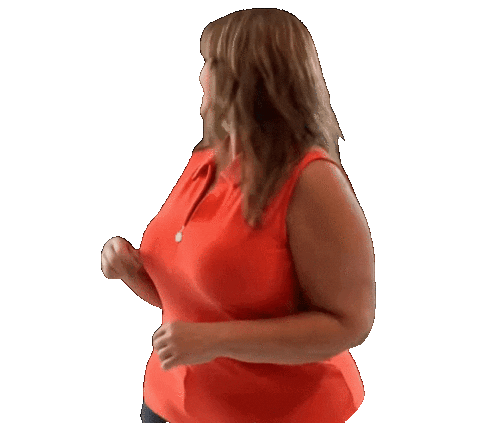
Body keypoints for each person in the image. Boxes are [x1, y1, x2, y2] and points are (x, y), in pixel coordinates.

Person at [101, 8, 374, 423]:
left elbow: (348, 324)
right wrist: (132, 271)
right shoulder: (206, 158)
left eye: (211, 63)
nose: (200, 77)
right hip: (167, 405)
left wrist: (215, 340)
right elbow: (197, 301)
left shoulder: (312, 179)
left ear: (252, 79)